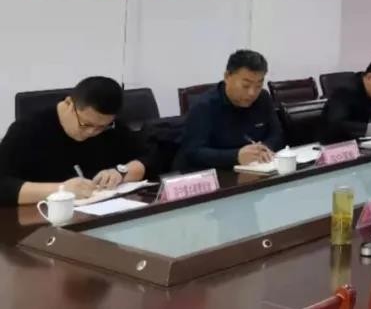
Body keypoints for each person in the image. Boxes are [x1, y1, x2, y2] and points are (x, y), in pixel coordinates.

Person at [0, 77, 150, 205]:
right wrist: (61, 190)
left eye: (101, 127)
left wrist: (122, 172)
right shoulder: (27, 130)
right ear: (69, 104)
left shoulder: (112, 127)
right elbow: (3, 185)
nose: (92, 132)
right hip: (43, 219)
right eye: (86, 124)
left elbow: (150, 157)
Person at [177, 50, 284, 171]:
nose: (252, 93)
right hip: (219, 174)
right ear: (227, 77)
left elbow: (276, 133)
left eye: (258, 85)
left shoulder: (263, 98)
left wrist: (264, 148)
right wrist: (235, 156)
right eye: (246, 86)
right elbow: (193, 152)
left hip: (258, 169)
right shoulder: (204, 106)